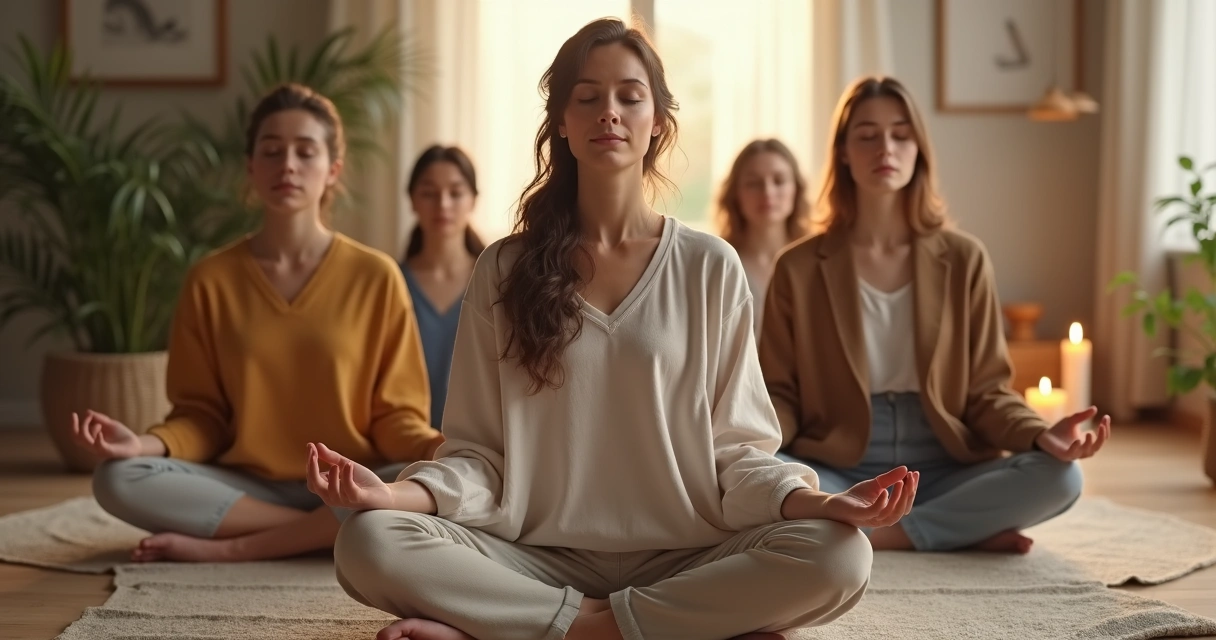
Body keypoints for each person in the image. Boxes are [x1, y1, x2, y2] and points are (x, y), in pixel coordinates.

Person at [305, 18, 919, 640]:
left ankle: (538, 627)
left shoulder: (709, 266)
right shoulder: (503, 268)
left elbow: (738, 454)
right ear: (561, 123)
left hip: (688, 555)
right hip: (533, 558)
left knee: (841, 553)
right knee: (368, 540)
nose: (609, 112)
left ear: (658, 121)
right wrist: (390, 496)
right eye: (588, 96)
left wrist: (823, 503)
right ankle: (642, 627)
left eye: (630, 95)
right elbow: (478, 458)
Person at [73, 83, 442, 563]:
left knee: (425, 479)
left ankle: (237, 546)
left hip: (349, 478)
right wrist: (142, 444)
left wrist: (439, 448)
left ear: (333, 169)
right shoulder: (210, 279)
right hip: (246, 487)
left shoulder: (377, 276)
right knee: (117, 477)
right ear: (251, 166)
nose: (287, 164)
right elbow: (202, 417)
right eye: (271, 151)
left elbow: (394, 417)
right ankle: (323, 531)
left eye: (305, 151)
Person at [760, 75, 1110, 555]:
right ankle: (953, 531)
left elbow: (987, 392)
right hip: (840, 468)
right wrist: (754, 450)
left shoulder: (965, 258)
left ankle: (879, 534)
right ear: (843, 152)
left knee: (1063, 477)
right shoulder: (798, 267)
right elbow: (779, 393)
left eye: (901, 135)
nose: (886, 148)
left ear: (919, 150)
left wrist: (1040, 434)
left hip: (946, 465)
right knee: (761, 476)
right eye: (868, 135)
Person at [399, 145, 485, 430]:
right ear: (412, 200)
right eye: (429, 193)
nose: (443, 204)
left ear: (473, 200)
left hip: (481, 442)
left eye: (456, 193)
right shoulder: (391, 283)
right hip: (406, 441)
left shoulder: (496, 280)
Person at [715, 139, 811, 338]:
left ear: (796, 189)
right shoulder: (720, 265)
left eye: (779, 181)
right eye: (754, 183)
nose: (767, 192)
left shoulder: (816, 261)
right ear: (735, 193)